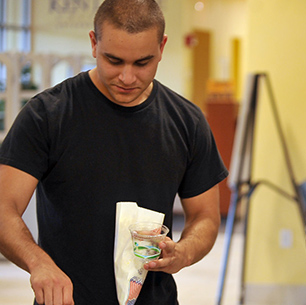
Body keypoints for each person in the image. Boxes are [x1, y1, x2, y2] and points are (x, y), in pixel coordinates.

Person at [0, 0, 228, 304]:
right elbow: (3, 208)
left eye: (142, 63)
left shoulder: (187, 121)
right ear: (94, 43)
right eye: (114, 61)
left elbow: (205, 217)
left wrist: (184, 252)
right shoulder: (47, 115)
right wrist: (38, 263)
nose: (127, 77)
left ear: (162, 47)